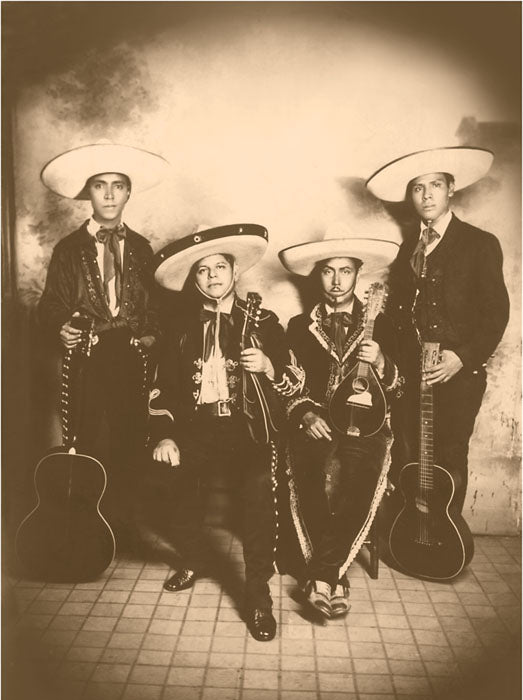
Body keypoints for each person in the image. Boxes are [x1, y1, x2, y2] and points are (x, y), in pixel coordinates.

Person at [149, 224, 304, 641]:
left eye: (220, 266)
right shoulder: (179, 326)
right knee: (166, 475)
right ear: (194, 279)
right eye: (203, 270)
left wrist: (269, 367)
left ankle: (257, 598)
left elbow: (294, 381)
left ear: (235, 272)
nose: (212, 275)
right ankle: (194, 558)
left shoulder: (264, 322)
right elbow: (161, 387)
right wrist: (166, 435)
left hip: (248, 430)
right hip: (196, 427)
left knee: (258, 495)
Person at [365, 147, 510, 528]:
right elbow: (398, 317)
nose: (427, 195)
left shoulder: (479, 243)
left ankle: (443, 539)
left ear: (451, 189)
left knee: (448, 458)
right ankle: (411, 537)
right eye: (418, 188)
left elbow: (496, 314)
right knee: (407, 454)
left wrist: (461, 357)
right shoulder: (406, 251)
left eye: (435, 185)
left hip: (458, 376)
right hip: (411, 377)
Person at [38, 141, 169, 546]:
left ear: (129, 192)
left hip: (131, 356)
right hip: (87, 356)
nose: (109, 195)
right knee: (88, 438)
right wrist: (61, 327)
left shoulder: (143, 249)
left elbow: (155, 309)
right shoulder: (68, 250)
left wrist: (148, 337)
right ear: (88, 193)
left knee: (132, 437)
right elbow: (50, 306)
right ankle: (84, 528)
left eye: (118, 186)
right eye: (100, 185)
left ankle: (122, 525)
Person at [279, 234, 401, 618]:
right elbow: (288, 384)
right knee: (309, 468)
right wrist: (305, 414)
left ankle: (323, 576)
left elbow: (401, 389)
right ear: (318, 276)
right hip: (317, 419)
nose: (336, 280)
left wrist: (381, 362)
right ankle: (334, 578)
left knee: (361, 475)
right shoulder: (299, 326)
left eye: (345, 271)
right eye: (328, 271)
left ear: (358, 274)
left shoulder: (384, 324)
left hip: (368, 425)